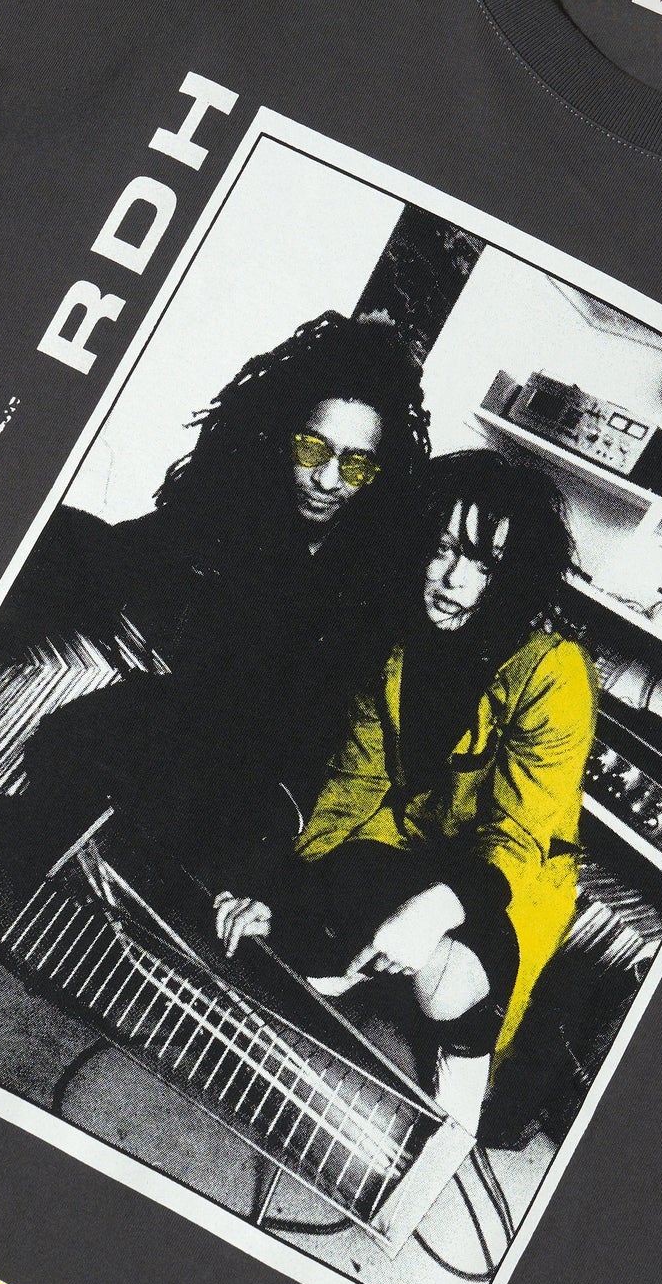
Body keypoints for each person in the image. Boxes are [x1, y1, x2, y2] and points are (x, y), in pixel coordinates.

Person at [212, 447, 597, 1138]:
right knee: (305, 925)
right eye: (442, 549)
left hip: (512, 875)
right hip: (409, 840)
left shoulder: (554, 672)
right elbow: (352, 789)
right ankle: (359, 955)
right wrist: (276, 888)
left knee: (451, 983)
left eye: (484, 564)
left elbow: (515, 840)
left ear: (516, 577)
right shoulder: (396, 647)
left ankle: (462, 1077)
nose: (453, 579)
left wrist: (429, 913)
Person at [0, 309, 433, 880]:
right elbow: (125, 553)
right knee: (56, 546)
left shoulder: (373, 583)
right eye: (313, 449)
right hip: (166, 738)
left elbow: (318, 737)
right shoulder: (234, 511)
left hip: (246, 790)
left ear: (380, 473)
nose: (328, 480)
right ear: (283, 438)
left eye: (356, 464)